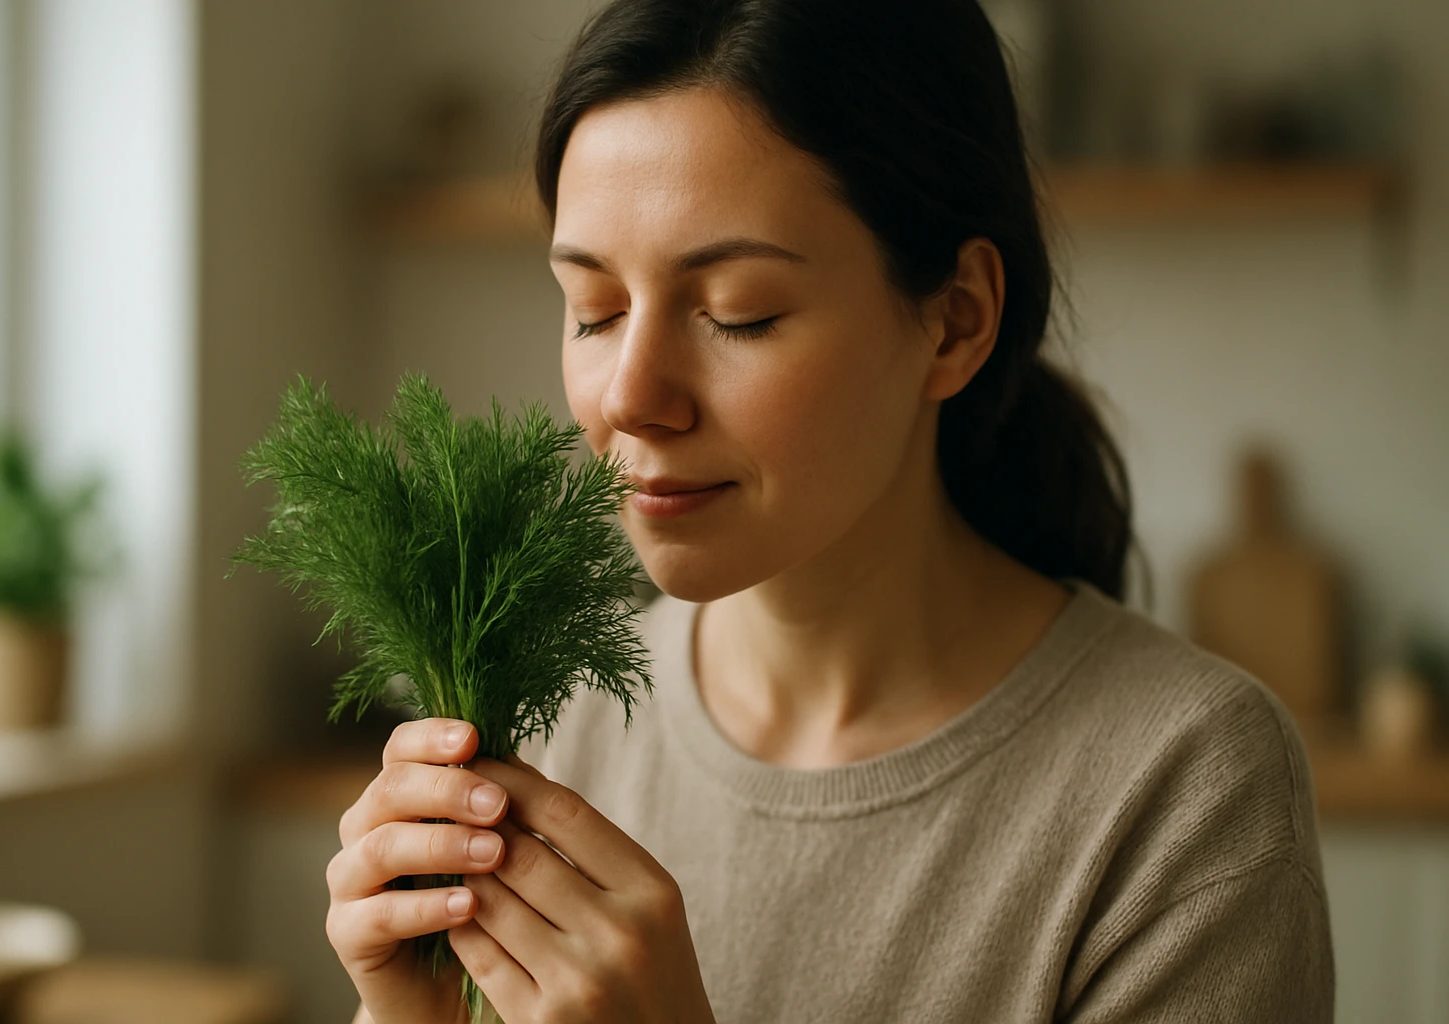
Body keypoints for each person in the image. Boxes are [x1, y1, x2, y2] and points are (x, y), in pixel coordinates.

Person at [324, 1, 1335, 1021]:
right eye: (595, 310)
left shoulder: (1186, 789)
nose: (629, 394)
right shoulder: (549, 731)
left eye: (738, 313)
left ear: (956, 321)